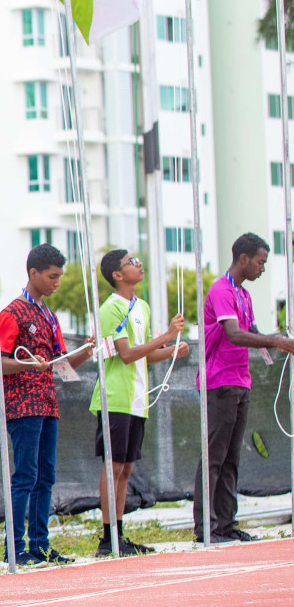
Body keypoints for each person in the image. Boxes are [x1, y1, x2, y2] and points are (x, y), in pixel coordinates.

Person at [194, 233, 294, 542]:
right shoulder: (222, 290)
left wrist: (278, 338)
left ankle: (226, 523)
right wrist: (275, 342)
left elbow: (252, 333)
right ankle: (206, 528)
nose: (263, 268)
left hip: (240, 382)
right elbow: (235, 335)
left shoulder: (244, 295)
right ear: (243, 259)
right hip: (219, 382)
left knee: (231, 458)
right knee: (213, 457)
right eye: (261, 262)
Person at [0, 244, 93, 566]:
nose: (57, 283)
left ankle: (40, 544)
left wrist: (86, 352)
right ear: (34, 273)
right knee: (25, 475)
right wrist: (28, 366)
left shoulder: (49, 316)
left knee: (45, 477)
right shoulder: (11, 313)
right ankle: (14, 547)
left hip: (48, 404)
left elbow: (62, 365)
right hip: (22, 406)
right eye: (52, 276)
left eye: (60, 277)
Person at [91, 249, 188, 557]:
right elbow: (127, 354)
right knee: (114, 465)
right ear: (117, 275)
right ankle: (108, 538)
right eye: (131, 262)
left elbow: (145, 353)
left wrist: (172, 349)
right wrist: (167, 336)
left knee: (127, 468)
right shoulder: (110, 308)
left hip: (137, 399)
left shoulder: (141, 307)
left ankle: (119, 533)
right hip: (116, 398)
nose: (139, 264)